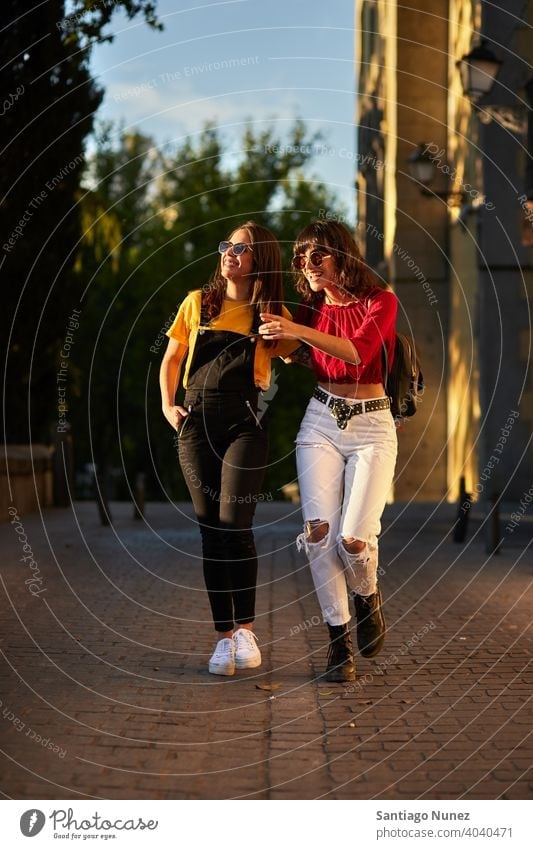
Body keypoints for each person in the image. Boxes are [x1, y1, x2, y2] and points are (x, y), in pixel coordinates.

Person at [258, 220, 398, 683]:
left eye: (317, 255)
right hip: (321, 418)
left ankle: (367, 595)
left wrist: (298, 328)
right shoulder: (310, 307)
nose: (308, 265)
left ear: (342, 255)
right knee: (319, 535)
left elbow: (357, 352)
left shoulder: (382, 301)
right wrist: (274, 340)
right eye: (301, 258)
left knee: (353, 540)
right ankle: (339, 645)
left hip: (373, 423)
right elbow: (290, 348)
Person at [160, 221, 298, 676]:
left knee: (235, 525)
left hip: (245, 424)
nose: (229, 254)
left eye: (240, 249)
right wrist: (168, 405)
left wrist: (286, 331)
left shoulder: (269, 315)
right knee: (210, 531)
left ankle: (246, 631)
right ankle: (223, 638)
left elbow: (299, 347)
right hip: (196, 423)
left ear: (260, 259)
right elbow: (172, 360)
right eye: (226, 247)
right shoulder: (198, 303)